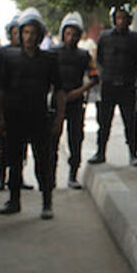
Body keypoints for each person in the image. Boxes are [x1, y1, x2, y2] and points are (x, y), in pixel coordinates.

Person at [0, 8, 66, 219]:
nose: (29, 37)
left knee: (43, 160)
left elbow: (59, 90)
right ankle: (14, 200)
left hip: (39, 117)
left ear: (40, 35)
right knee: (14, 160)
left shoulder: (49, 59)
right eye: (25, 32)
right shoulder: (7, 57)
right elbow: (0, 88)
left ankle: (47, 202)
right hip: (14, 116)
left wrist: (59, 118)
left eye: (33, 33)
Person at [92, 5, 137, 165]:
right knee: (104, 121)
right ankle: (100, 152)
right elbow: (99, 58)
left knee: (131, 121)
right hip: (109, 85)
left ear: (129, 20)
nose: (120, 21)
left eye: (123, 18)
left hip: (127, 85)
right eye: (118, 17)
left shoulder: (136, 38)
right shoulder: (104, 37)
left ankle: (133, 154)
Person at [55, 11, 95, 187]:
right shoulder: (52, 53)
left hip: (76, 101)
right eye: (68, 33)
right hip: (55, 102)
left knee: (75, 139)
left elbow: (94, 78)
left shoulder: (84, 56)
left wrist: (79, 91)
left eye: (74, 34)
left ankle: (73, 174)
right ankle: (51, 176)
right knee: (52, 140)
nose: (71, 37)